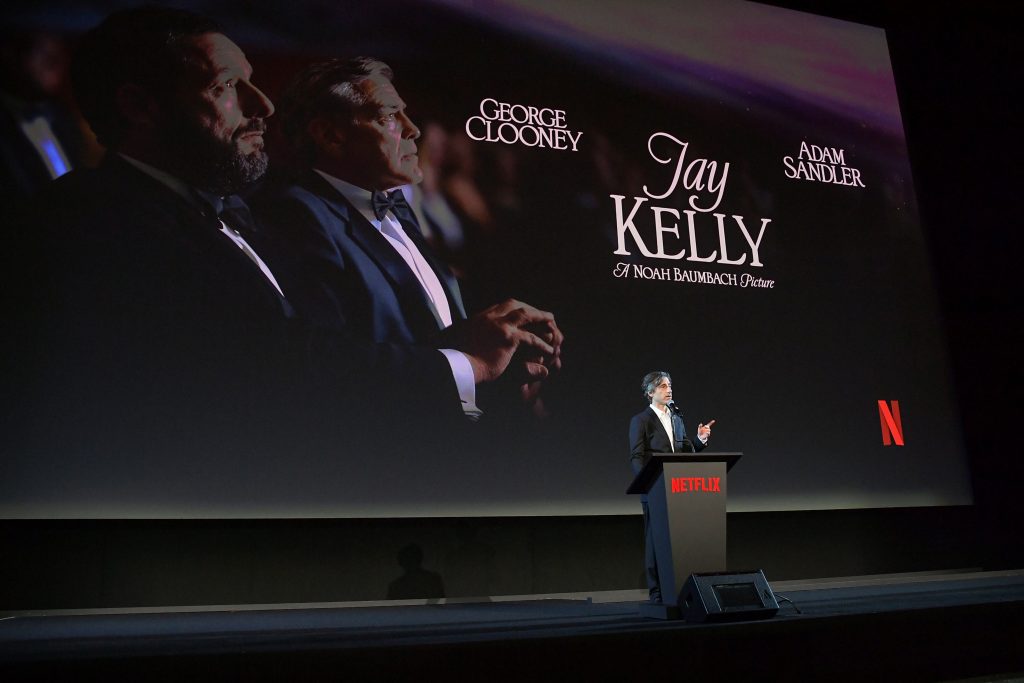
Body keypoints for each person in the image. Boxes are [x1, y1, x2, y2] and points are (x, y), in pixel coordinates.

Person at [251, 58, 562, 421]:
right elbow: (330, 362)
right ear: (330, 135)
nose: (413, 130)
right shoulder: (295, 214)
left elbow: (436, 333)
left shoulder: (396, 205)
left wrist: (503, 362)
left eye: (405, 114)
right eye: (388, 116)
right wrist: (472, 367)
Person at [629, 371, 714, 604]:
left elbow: (685, 452)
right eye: (663, 386)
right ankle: (656, 592)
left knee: (679, 541)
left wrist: (699, 440)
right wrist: (645, 483)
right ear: (650, 392)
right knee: (655, 541)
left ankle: (679, 588)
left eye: (670, 386)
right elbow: (636, 456)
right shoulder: (641, 420)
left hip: (678, 490)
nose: (669, 390)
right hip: (654, 489)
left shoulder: (676, 418)